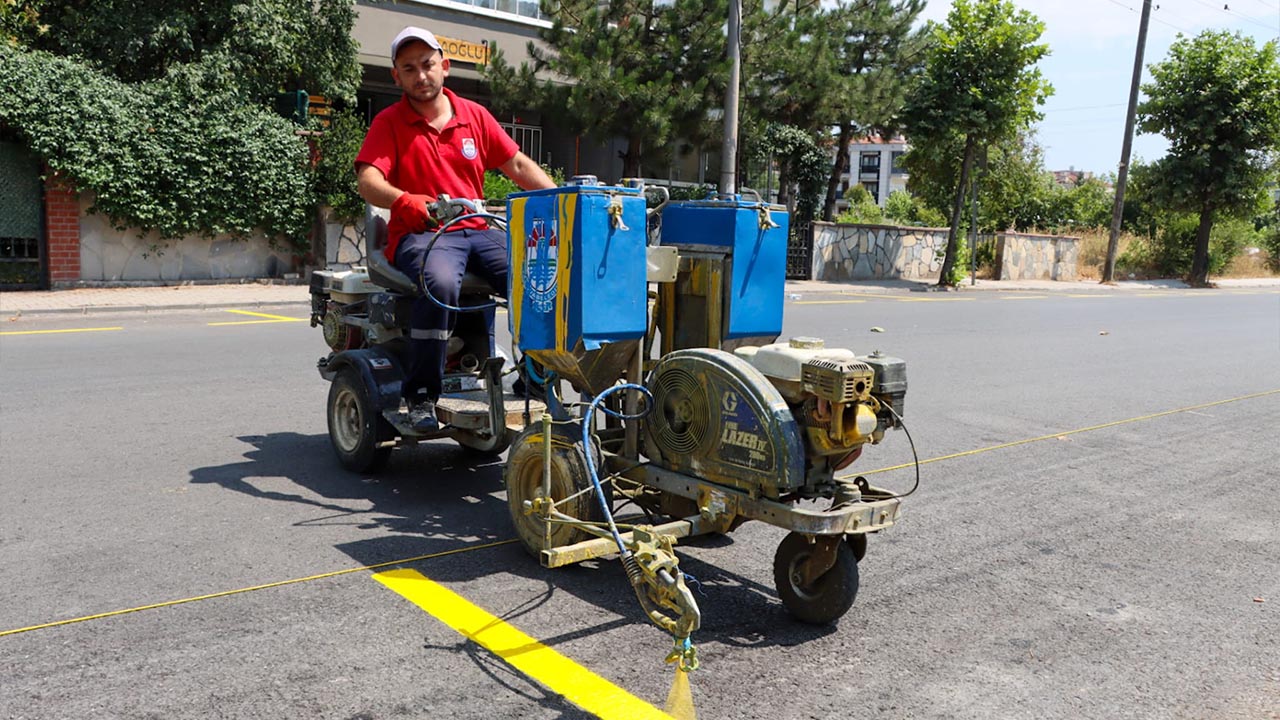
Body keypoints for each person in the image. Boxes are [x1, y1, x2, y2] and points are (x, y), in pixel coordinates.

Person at [355, 26, 555, 432]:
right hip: (422, 234)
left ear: (444, 67)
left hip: (476, 227)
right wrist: (406, 200)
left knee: (535, 277)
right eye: (409, 69)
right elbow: (368, 181)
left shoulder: (474, 117)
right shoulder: (390, 122)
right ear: (396, 77)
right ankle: (422, 397)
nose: (420, 75)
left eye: (427, 65)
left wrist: (562, 199)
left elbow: (516, 165)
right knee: (440, 283)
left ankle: (536, 377)